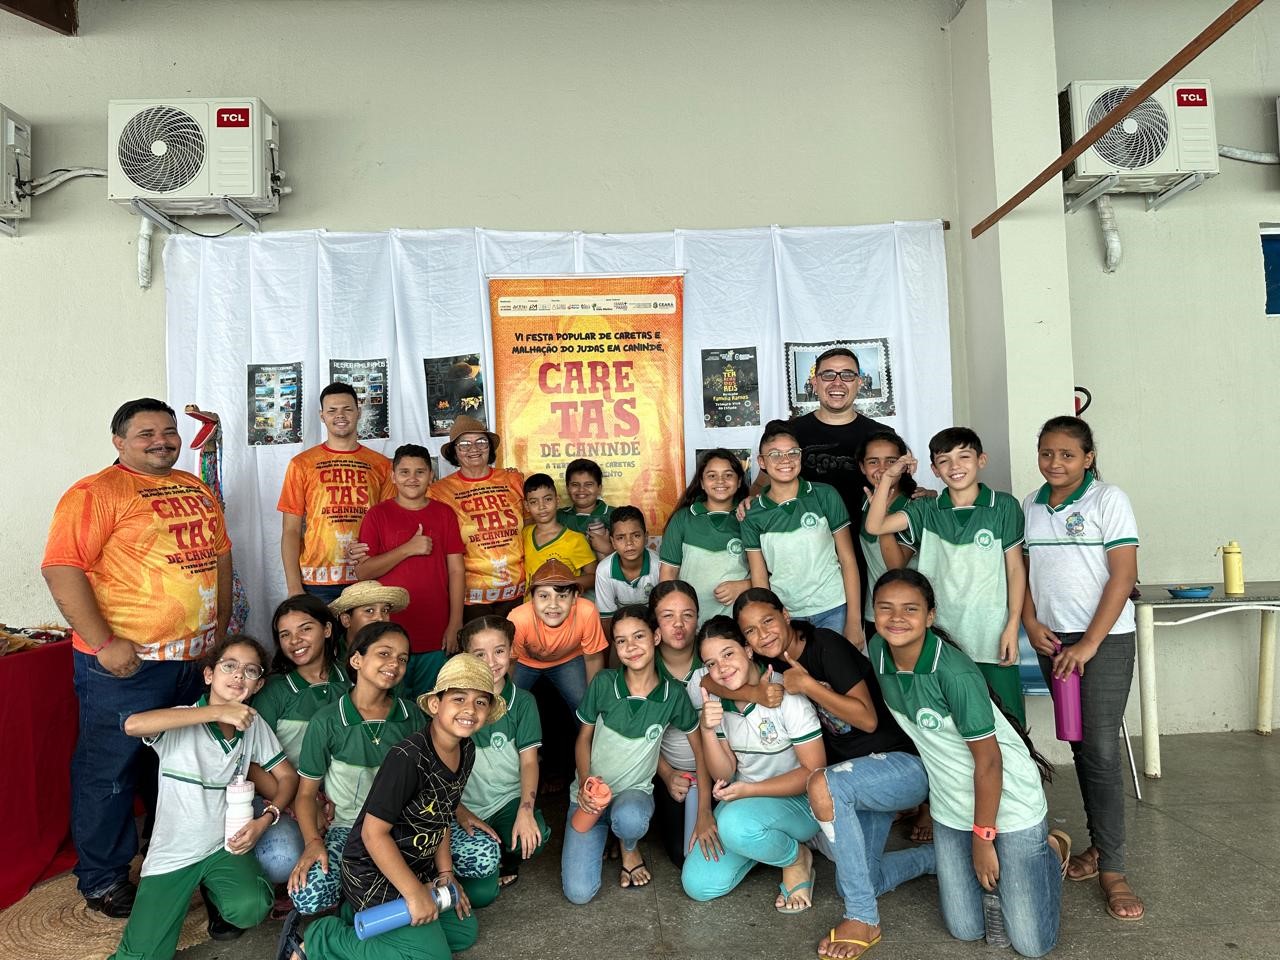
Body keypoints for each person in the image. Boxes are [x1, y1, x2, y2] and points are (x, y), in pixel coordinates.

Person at [42, 398, 232, 917]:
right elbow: (62, 568)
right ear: (119, 441)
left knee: (173, 766)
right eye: (145, 433)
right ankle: (102, 878)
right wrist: (105, 643)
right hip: (126, 666)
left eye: (168, 431)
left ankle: (164, 858)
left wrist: (218, 628)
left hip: (190, 661)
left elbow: (219, 555)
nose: (161, 441)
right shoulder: (95, 492)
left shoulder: (194, 487)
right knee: (110, 770)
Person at [869, 569, 1070, 959]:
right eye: (885, 608)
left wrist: (983, 838)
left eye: (910, 609)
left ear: (930, 615)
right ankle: (1021, 859)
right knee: (965, 928)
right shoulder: (879, 650)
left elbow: (990, 763)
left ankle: (1050, 849)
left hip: (1006, 799)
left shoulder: (954, 673)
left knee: (1031, 945)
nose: (896, 618)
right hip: (951, 804)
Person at [724, 588, 933, 959]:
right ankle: (939, 859)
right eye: (751, 631)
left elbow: (867, 719)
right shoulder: (773, 665)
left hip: (901, 766)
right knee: (861, 880)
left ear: (785, 614)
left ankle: (863, 918)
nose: (763, 634)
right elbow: (710, 679)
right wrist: (753, 694)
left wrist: (808, 686)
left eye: (768, 621)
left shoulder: (825, 645)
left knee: (826, 784)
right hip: (856, 783)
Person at [278, 655, 506, 960]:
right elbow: (372, 835)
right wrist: (414, 894)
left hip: (416, 867)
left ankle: (358, 919)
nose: (470, 709)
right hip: (372, 871)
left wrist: (445, 873)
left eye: (480, 702)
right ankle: (322, 939)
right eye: (459, 698)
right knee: (432, 956)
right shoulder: (407, 757)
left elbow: (441, 816)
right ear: (435, 704)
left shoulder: (466, 749)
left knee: (463, 932)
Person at [107, 635, 297, 960]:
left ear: (259, 683)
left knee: (252, 906)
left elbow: (287, 777)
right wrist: (215, 712)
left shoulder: (253, 724)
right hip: (172, 854)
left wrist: (267, 819)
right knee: (143, 956)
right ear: (209, 675)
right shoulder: (183, 718)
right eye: (229, 666)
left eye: (250, 670)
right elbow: (133, 725)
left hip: (222, 847)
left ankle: (214, 890)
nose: (239, 675)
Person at [1022, 416, 1143, 922]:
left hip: (1104, 641)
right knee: (1079, 743)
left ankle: (1113, 868)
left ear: (1088, 458)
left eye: (1067, 454)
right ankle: (1097, 847)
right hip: (1054, 643)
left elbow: (1124, 575)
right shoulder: (1030, 505)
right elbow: (1025, 574)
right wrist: (1030, 622)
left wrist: (1090, 643)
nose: (1056, 463)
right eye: (1047, 453)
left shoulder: (1107, 500)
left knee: (1100, 750)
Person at [865, 427, 1028, 724]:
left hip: (991, 633)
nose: (955, 466)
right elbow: (875, 526)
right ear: (934, 470)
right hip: (941, 633)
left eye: (964, 457)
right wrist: (888, 478)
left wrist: (1012, 624)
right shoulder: (926, 509)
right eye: (944, 461)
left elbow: (1016, 569)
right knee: (951, 720)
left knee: (1007, 721)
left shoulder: (1004, 506)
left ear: (981, 460)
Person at [561, 605, 707, 903]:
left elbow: (700, 752)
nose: (631, 647)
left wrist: (704, 811)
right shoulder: (603, 683)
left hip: (633, 795)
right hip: (589, 798)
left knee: (629, 817)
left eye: (639, 636)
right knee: (578, 893)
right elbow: (583, 739)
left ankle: (628, 846)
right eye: (621, 640)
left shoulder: (672, 694)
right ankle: (607, 833)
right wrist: (586, 782)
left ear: (656, 637)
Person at [681, 616, 826, 911]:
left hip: (801, 803)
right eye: (711, 663)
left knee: (734, 825)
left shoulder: (783, 693)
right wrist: (707, 730)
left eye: (728, 654)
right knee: (698, 885)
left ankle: (796, 858)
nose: (721, 668)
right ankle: (761, 843)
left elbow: (814, 773)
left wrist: (749, 790)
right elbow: (724, 772)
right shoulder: (717, 699)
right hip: (746, 806)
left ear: (748, 650)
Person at [286, 622, 427, 917]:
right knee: (308, 895)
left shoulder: (411, 715)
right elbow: (305, 794)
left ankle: (363, 904)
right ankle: (350, 912)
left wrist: (458, 812)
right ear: (356, 660)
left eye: (402, 658)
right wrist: (313, 843)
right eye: (384, 653)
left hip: (401, 829)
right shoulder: (327, 720)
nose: (394, 664)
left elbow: (429, 781)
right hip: (347, 829)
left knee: (477, 861)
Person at [356, 443, 465, 696]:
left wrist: (456, 622)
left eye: (420, 472)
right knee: (392, 703)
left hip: (436, 632)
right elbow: (363, 572)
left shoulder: (444, 514)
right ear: (393, 476)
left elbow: (457, 571)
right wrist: (408, 548)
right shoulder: (377, 515)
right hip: (388, 633)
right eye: (404, 472)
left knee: (432, 703)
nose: (412, 478)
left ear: (431, 475)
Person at [742, 420, 863, 646]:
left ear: (800, 456)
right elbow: (759, 577)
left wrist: (854, 622)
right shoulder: (752, 513)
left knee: (835, 669)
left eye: (793, 453)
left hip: (834, 608)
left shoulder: (825, 495)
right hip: (787, 615)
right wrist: (768, 621)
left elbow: (848, 559)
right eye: (775, 454)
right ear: (762, 462)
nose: (785, 460)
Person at [453, 617, 551, 890]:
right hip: (465, 805)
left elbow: (529, 763)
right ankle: (480, 860)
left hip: (507, 799)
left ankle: (507, 859)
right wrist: (458, 809)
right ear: (466, 657)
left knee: (532, 837)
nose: (491, 662)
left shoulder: (523, 702)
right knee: (482, 895)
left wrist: (525, 811)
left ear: (511, 651)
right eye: (479, 654)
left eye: (498, 651)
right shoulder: (454, 701)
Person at [277, 382, 393, 603]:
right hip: (316, 582)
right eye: (332, 410)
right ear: (322, 416)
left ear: (358, 412)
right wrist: (294, 587)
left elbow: (388, 528)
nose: (340, 415)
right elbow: (291, 530)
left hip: (366, 577)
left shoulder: (381, 465)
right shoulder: (301, 464)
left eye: (347, 409)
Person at [647, 581, 721, 868]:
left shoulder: (712, 660)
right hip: (673, 773)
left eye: (687, 615)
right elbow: (634, 736)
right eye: (668, 616)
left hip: (720, 770)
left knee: (717, 843)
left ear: (698, 619)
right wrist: (666, 774)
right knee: (682, 853)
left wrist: (705, 809)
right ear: (655, 623)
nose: (679, 624)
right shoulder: (644, 665)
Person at [428, 415, 526, 619]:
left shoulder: (513, 480)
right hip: (472, 600)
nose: (474, 448)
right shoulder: (439, 492)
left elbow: (532, 525)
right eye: (464, 444)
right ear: (454, 452)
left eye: (481, 441)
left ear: (489, 447)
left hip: (519, 594)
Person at [659, 449, 752, 623]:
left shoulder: (750, 517)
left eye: (728, 475)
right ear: (701, 482)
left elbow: (772, 571)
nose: (720, 481)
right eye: (712, 476)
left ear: (739, 481)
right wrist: (670, 617)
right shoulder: (683, 518)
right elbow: (668, 573)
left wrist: (744, 585)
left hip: (738, 621)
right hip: (692, 623)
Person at [256, 595, 349, 767]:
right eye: (285, 634)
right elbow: (254, 760)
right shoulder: (272, 690)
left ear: (327, 629)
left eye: (305, 629)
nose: (295, 640)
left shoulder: (352, 679)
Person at [508, 559, 607, 713]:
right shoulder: (518, 618)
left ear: (575, 597)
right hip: (524, 662)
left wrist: (594, 698)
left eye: (562, 596)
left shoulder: (587, 611)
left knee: (585, 704)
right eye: (544, 596)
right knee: (507, 705)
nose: (553, 604)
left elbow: (593, 658)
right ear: (532, 599)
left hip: (568, 659)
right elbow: (510, 662)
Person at [856, 430, 918, 633]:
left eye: (891, 461)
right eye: (873, 462)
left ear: (903, 466)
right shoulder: (865, 500)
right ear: (862, 467)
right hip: (874, 611)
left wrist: (882, 518)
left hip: (908, 613)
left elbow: (896, 567)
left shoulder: (914, 505)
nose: (883, 469)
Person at [520, 472, 597, 592]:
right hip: (530, 602)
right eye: (534, 502)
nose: (542, 506)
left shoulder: (575, 540)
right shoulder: (525, 534)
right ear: (526, 506)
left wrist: (564, 582)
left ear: (557, 500)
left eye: (548, 499)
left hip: (560, 602)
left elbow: (594, 577)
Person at [593, 505, 661, 626]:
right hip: (620, 630)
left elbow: (664, 612)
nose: (629, 543)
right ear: (613, 542)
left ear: (646, 537)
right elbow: (607, 619)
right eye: (620, 538)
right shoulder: (604, 570)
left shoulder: (659, 566)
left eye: (636, 535)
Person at [329, 580, 409, 656]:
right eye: (369, 610)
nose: (380, 618)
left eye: (385, 610)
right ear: (346, 620)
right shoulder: (329, 655)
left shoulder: (397, 654)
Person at [556, 457, 614, 559]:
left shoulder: (615, 515)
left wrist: (608, 548)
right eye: (575, 485)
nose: (581, 490)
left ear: (599, 488)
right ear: (567, 488)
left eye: (588, 484)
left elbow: (632, 554)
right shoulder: (558, 517)